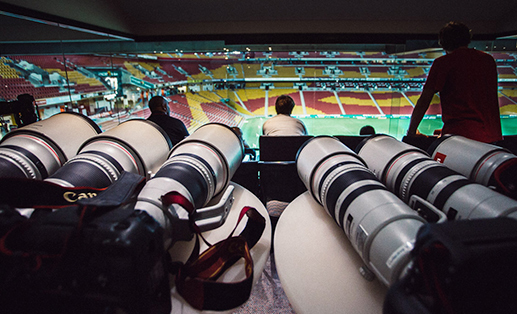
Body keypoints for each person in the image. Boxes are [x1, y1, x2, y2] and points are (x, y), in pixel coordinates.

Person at [406, 22, 502, 143]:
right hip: (492, 136)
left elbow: (425, 99)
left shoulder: (443, 63)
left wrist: (411, 132)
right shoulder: (488, 60)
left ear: (442, 42)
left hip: (461, 137)